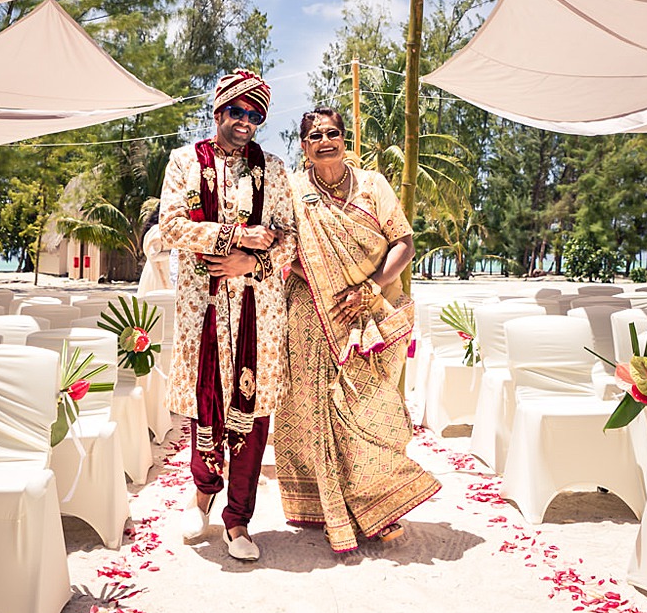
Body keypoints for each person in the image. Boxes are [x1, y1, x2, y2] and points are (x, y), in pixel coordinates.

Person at [274, 107, 440, 553]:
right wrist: (318, 278)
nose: (324, 141)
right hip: (311, 312)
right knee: (318, 410)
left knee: (368, 407)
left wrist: (369, 286)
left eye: (333, 133)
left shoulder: (373, 185)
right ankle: (335, 509)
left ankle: (378, 502)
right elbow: (284, 249)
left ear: (345, 140)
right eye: (315, 136)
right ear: (304, 146)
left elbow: (403, 241)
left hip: (368, 310)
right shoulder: (292, 190)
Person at [156, 68, 295, 562]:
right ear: (218, 110)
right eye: (236, 111)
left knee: (254, 417)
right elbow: (170, 226)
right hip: (204, 309)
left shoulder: (274, 170)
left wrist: (250, 260)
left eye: (255, 115)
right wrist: (234, 238)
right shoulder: (183, 162)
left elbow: (289, 236)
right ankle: (202, 498)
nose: (245, 122)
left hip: (260, 309)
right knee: (206, 407)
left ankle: (239, 521)